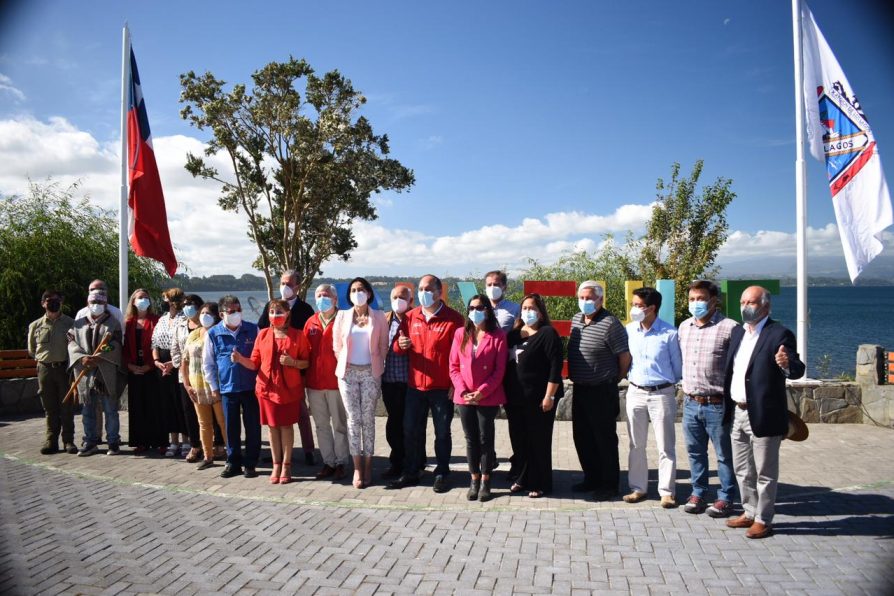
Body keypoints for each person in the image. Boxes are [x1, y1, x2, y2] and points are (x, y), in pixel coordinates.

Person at [724, 286, 805, 539]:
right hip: (737, 410)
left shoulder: (779, 333)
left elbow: (796, 368)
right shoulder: (738, 333)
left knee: (765, 472)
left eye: (751, 302)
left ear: (766, 307)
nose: (745, 306)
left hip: (764, 414)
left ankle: (763, 519)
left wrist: (787, 364)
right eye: (743, 301)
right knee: (742, 468)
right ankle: (748, 511)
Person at [388, 274, 465, 493]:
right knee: (410, 430)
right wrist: (401, 345)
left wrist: (454, 384)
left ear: (440, 292)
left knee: (442, 433)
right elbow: (396, 347)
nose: (424, 293)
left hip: (441, 388)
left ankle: (442, 472)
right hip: (415, 387)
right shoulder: (410, 317)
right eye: (421, 289)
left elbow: (460, 355)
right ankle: (412, 471)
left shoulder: (454, 319)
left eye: (428, 289)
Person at [233, 299, 311, 484]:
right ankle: (276, 464)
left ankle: (286, 465)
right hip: (266, 389)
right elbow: (254, 363)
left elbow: (306, 362)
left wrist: (293, 362)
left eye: (279, 311)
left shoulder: (298, 335)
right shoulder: (263, 335)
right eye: (272, 311)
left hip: (289, 389)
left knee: (286, 426)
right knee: (273, 427)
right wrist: (240, 359)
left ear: (288, 314)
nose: (275, 315)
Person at [679, 280, 739, 518]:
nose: (696, 303)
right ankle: (698, 492)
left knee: (724, 454)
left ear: (714, 301)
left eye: (701, 299)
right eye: (692, 299)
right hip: (691, 402)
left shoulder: (730, 327)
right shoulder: (684, 327)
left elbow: (739, 365)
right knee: (695, 452)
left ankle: (726, 497)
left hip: (718, 404)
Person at [567, 280, 631, 501]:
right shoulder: (576, 319)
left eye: (590, 298)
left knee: (604, 439)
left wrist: (614, 380)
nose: (585, 302)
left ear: (600, 300)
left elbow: (624, 358)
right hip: (580, 389)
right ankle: (591, 478)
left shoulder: (611, 323)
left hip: (602, 390)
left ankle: (609, 485)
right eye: (582, 298)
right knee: (582, 437)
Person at [623, 287, 683, 508]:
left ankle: (667, 492)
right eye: (634, 304)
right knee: (636, 444)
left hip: (662, 393)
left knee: (665, 445)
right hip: (635, 392)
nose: (634, 309)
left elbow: (677, 368)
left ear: (652, 308)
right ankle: (638, 488)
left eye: (638, 305)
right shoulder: (629, 330)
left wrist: (665, 384)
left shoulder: (669, 333)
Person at [504, 293, 564, 498]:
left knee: (538, 440)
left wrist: (550, 396)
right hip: (515, 398)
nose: (528, 312)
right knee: (519, 440)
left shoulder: (548, 333)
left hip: (540, 399)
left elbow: (555, 368)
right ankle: (522, 478)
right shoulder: (514, 334)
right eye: (525, 308)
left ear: (540, 312)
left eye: (532, 308)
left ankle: (540, 482)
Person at [449, 294, 507, 502]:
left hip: (487, 396)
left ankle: (486, 480)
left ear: (487, 310)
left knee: (485, 438)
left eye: (480, 307)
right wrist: (463, 390)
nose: (475, 311)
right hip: (464, 396)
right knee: (471, 439)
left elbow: (499, 370)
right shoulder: (460, 334)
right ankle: (473, 479)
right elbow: (454, 366)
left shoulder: (498, 335)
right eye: (471, 308)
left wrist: (482, 391)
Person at [333, 278, 389, 489]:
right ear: (349, 295)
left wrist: (375, 365)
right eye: (354, 290)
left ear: (369, 293)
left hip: (370, 373)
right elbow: (337, 346)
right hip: (347, 374)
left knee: (368, 420)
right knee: (353, 420)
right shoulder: (342, 316)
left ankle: (368, 465)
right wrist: (347, 364)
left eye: (361, 289)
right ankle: (357, 467)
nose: (358, 293)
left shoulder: (379, 317)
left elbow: (384, 345)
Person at [257, 269, 317, 466]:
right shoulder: (271, 306)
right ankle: (279, 455)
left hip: (296, 370)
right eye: (282, 283)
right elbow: (263, 331)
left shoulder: (305, 309)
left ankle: (308, 450)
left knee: (300, 413)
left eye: (289, 284)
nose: (285, 287)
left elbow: (308, 341)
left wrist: (300, 366)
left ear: (298, 287)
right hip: (272, 374)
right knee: (275, 419)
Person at [202, 295, 261, 479]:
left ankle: (250, 463)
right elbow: (208, 363)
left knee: (252, 426)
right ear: (221, 314)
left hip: (250, 387)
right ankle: (233, 462)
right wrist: (214, 387)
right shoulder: (213, 334)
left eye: (238, 310)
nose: (236, 314)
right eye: (231, 311)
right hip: (227, 389)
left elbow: (261, 359)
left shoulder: (253, 329)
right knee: (231, 427)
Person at [67, 290, 124, 456]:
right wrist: (82, 357)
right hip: (85, 372)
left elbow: (115, 344)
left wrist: (100, 355)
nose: (96, 306)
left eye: (100, 303)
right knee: (87, 409)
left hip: (104, 371)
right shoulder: (78, 324)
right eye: (93, 303)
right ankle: (90, 441)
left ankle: (113, 441)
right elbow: (71, 343)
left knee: (110, 409)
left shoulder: (113, 323)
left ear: (105, 304)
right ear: (88, 303)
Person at [304, 284, 349, 480]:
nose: (322, 298)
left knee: (340, 425)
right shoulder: (310, 323)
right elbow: (304, 353)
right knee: (321, 425)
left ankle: (341, 462)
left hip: (337, 382)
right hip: (314, 384)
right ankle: (328, 462)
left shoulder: (344, 319)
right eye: (319, 295)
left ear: (335, 299)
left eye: (326, 295)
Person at [27, 289, 76, 455]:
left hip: (64, 368)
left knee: (67, 406)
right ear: (43, 303)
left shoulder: (70, 323)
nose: (53, 303)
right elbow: (32, 350)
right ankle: (51, 441)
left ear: (61, 303)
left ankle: (68, 441)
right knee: (50, 407)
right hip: (45, 369)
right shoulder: (35, 326)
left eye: (56, 300)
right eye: (49, 300)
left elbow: (75, 347)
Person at [181, 302, 228, 471]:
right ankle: (208, 456)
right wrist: (186, 384)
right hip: (197, 386)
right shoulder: (193, 335)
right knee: (204, 423)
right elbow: (184, 361)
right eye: (202, 313)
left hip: (216, 385)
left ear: (216, 316)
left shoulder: (220, 333)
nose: (204, 316)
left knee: (223, 422)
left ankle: (231, 454)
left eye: (208, 313)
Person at [483, 270, 518, 475]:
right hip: (483, 373)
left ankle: (517, 461)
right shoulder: (478, 308)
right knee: (484, 420)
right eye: (488, 284)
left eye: (496, 284)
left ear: (504, 286)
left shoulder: (514, 309)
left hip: (507, 371)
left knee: (514, 419)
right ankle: (488, 458)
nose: (492, 288)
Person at [122, 289, 165, 453]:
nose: (143, 300)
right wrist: (130, 366)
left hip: (152, 368)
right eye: (140, 298)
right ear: (133, 301)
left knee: (156, 405)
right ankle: (141, 442)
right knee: (137, 406)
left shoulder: (156, 320)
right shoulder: (128, 322)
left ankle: (160, 441)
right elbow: (123, 348)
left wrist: (150, 365)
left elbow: (160, 345)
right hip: (134, 368)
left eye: (146, 298)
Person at [381, 284, 414, 479]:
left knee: (411, 426)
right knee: (393, 424)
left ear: (411, 301)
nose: (397, 301)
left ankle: (414, 462)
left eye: (402, 297)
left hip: (411, 383)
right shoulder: (384, 319)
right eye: (394, 297)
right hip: (389, 381)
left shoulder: (415, 320)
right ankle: (396, 462)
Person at [170, 293, 205, 462]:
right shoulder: (180, 326)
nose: (187, 307)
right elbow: (175, 349)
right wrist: (183, 367)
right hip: (184, 376)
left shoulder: (207, 325)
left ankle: (213, 445)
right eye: (185, 304)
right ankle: (195, 445)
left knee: (207, 412)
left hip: (204, 376)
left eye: (191, 304)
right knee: (188, 412)